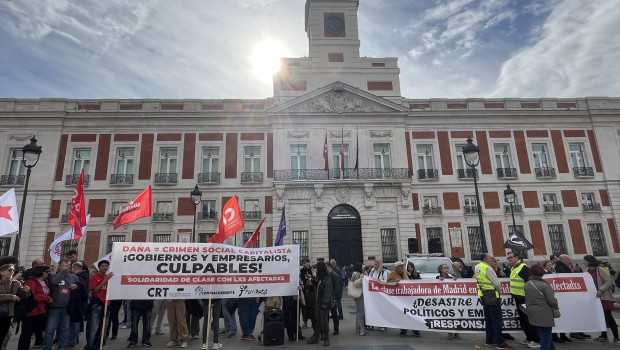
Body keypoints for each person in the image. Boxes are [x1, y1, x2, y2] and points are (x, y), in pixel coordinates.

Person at [475, 253, 513, 350]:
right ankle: (500, 342)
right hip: (492, 295)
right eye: (490, 258)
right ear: (485, 259)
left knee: (488, 318)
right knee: (496, 319)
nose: (491, 259)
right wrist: (499, 292)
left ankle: (490, 339)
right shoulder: (487, 268)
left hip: (483, 294)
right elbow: (496, 283)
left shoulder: (477, 267)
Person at [583, 255, 619, 344]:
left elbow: (608, 281)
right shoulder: (586, 272)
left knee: (608, 317)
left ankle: (616, 337)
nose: (584, 262)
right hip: (594, 298)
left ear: (589, 261)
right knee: (600, 317)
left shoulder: (600, 270)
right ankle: (604, 336)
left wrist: (601, 289)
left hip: (604, 297)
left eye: (585, 261)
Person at [43, 258, 78, 350]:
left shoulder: (74, 277)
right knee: (50, 329)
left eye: (68, 265)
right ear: (59, 266)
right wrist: (62, 272)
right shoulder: (54, 275)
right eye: (64, 265)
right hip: (55, 307)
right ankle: (47, 347)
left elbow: (79, 289)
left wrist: (77, 286)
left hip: (67, 307)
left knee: (65, 329)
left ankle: (61, 347)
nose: (67, 266)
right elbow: (54, 282)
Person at [506, 251, 539, 348]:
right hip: (518, 298)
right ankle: (529, 338)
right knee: (523, 320)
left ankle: (536, 340)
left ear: (517, 257)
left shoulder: (523, 268)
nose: (509, 259)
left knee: (529, 320)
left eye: (511, 257)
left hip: (525, 298)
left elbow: (530, 283)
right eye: (508, 258)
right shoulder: (514, 268)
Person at [525, 265, 560, 350]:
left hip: (532, 312)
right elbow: (552, 300)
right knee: (546, 334)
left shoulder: (528, 283)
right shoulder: (544, 285)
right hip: (544, 312)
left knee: (542, 333)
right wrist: (556, 306)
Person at [18, 265, 51, 350]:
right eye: (46, 272)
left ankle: (38, 342)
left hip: (40, 310)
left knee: (38, 330)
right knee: (27, 333)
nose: (48, 273)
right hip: (32, 310)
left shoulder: (44, 281)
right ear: (40, 272)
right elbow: (33, 296)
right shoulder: (31, 281)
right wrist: (47, 298)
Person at [85, 260, 113, 350]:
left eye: (106, 266)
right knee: (94, 328)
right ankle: (90, 346)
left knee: (103, 329)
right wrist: (105, 280)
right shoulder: (94, 277)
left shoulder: (109, 277)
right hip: (97, 306)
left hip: (106, 306)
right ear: (99, 267)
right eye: (102, 266)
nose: (104, 267)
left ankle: (99, 346)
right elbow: (96, 290)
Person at [1, 263, 29, 346]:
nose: (12, 272)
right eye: (9, 270)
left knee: (2, 335)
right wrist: (11, 296)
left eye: (13, 270)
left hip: (8, 314)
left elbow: (22, 296)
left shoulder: (16, 283)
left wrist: (27, 292)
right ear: (2, 272)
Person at [306, 261, 332, 347]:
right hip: (318, 302)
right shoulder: (321, 277)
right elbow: (316, 284)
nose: (316, 269)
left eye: (317, 268)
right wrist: (313, 278)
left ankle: (326, 338)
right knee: (317, 320)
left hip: (323, 303)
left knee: (324, 321)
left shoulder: (327, 278)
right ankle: (316, 336)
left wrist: (324, 305)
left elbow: (327, 293)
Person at [387, 262, 412, 338]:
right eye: (401, 266)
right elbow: (388, 283)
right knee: (402, 314)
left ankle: (414, 329)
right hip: (398, 298)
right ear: (397, 267)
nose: (403, 267)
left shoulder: (404, 274)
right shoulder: (392, 274)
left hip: (405, 297)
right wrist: (395, 281)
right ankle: (403, 329)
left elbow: (408, 282)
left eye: (403, 266)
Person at [68, 261, 88, 349]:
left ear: (75, 268)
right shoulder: (85, 276)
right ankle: (74, 339)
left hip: (76, 302)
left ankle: (73, 340)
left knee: (74, 323)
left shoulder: (78, 278)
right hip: (79, 302)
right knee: (76, 322)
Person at [368, 260, 388, 331]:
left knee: (381, 310)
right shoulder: (372, 271)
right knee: (373, 309)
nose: (374, 266)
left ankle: (382, 325)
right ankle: (372, 323)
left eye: (376, 264)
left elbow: (386, 282)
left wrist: (379, 281)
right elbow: (369, 279)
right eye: (374, 264)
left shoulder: (383, 272)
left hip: (381, 294)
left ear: (379, 265)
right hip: (373, 294)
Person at [350, 263, 365, 336]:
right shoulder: (356, 274)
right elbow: (356, 284)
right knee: (360, 312)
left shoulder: (357, 273)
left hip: (359, 295)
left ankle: (358, 329)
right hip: (359, 295)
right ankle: (360, 329)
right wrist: (361, 278)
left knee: (360, 312)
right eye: (362, 267)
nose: (363, 268)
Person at [326, 263, 341, 335]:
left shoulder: (334, 275)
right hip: (327, 297)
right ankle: (326, 329)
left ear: (329, 267)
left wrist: (334, 297)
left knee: (334, 314)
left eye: (326, 267)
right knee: (327, 314)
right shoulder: (327, 275)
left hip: (332, 298)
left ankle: (336, 329)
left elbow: (337, 287)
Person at [299, 258, 313, 329]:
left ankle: (313, 322)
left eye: (305, 263)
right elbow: (300, 280)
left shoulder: (312, 270)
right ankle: (305, 322)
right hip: (304, 291)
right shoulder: (301, 271)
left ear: (308, 263)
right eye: (303, 263)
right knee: (304, 307)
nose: (304, 264)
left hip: (311, 291)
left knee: (312, 307)